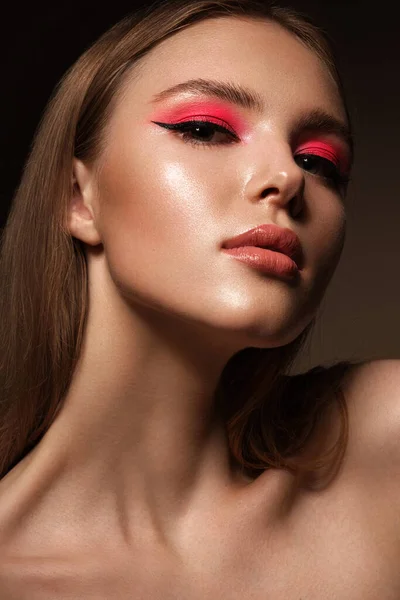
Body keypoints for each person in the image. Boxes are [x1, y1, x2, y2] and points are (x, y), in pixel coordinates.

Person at [0, 0, 399, 596]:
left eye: (319, 161)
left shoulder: (383, 447)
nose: (287, 177)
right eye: (204, 129)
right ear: (78, 198)